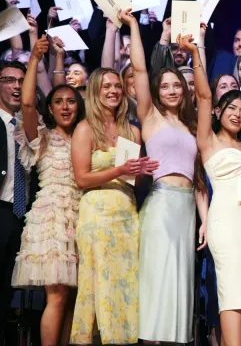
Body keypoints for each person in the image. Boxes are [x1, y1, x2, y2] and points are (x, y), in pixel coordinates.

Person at [120, 8, 206, 344]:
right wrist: (134, 27)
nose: (171, 90)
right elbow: (140, 68)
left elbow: (198, 180)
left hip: (186, 209)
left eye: (176, 85)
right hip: (159, 205)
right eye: (165, 85)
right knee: (157, 282)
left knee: (179, 284)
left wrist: (205, 220)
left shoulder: (189, 126)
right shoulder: (150, 117)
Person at [10, 36, 85, 346]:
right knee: (56, 296)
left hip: (82, 216)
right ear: (50, 109)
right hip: (53, 216)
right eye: (58, 102)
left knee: (72, 298)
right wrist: (34, 59)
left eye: (71, 101)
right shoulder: (41, 136)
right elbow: (27, 102)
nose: (65, 107)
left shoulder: (84, 136)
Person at [194, 27, 241, 346]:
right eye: (231, 108)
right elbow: (204, 95)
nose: (238, 113)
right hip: (226, 225)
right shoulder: (208, 143)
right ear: (220, 112)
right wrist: (197, 52)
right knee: (232, 295)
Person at [69, 67, 150, 345]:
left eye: (117, 86)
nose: (114, 91)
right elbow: (81, 179)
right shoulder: (85, 128)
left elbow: (132, 181)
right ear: (94, 90)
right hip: (97, 216)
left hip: (126, 214)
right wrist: (119, 170)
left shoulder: (132, 132)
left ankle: (122, 339)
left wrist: (140, 171)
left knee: (124, 281)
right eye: (106, 87)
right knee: (98, 281)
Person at [0, 60, 36, 344]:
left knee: (5, 290)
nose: (15, 86)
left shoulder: (30, 126)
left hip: (19, 214)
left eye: (21, 81)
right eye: (8, 80)